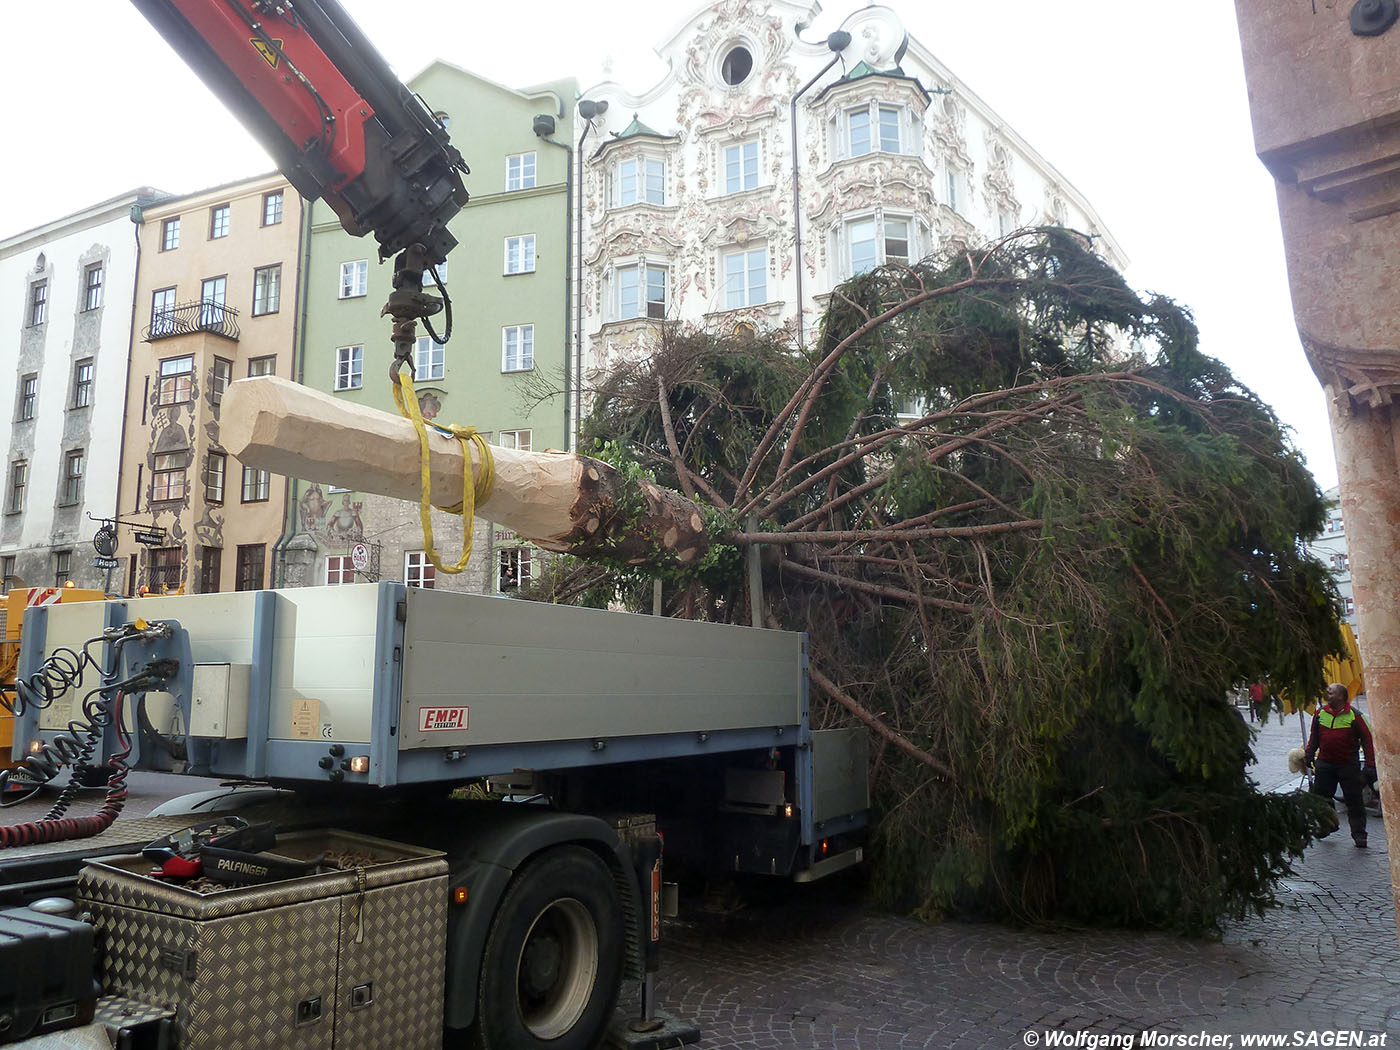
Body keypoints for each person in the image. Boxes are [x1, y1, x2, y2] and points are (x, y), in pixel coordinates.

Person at [1304, 683, 1379, 847]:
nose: (1327, 694)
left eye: (1331, 692)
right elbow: (1314, 737)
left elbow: (1368, 740)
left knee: (1354, 802)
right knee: (1320, 798)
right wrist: (1309, 754)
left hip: (1348, 765)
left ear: (1341, 696)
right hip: (1325, 764)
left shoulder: (1355, 716)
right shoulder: (1320, 714)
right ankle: (1327, 825)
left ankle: (1359, 835)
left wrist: (1370, 764)